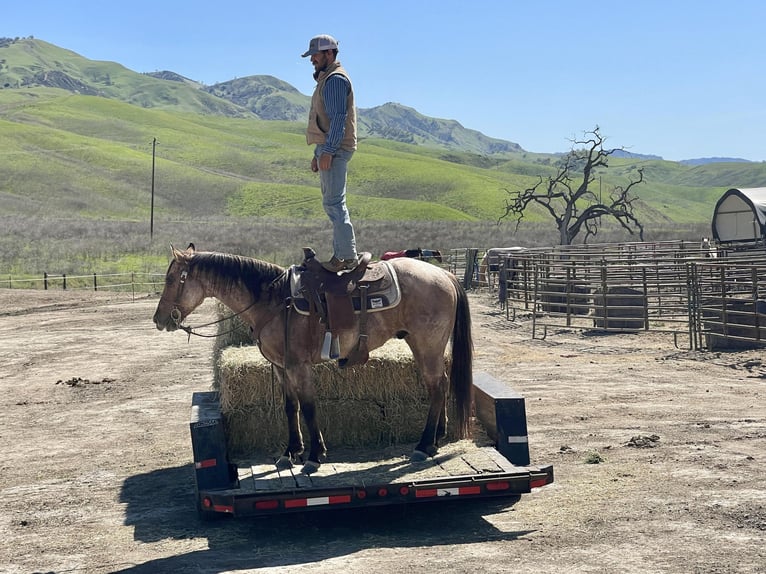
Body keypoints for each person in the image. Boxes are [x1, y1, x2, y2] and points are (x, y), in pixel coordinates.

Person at [301, 34, 359, 272]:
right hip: (328, 148)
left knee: (335, 203)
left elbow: (338, 120)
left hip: (334, 149)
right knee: (332, 203)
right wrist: (319, 153)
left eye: (315, 54)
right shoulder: (327, 78)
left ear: (329, 53)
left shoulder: (334, 79)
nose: (312, 59)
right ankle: (342, 254)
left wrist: (328, 151)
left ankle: (346, 257)